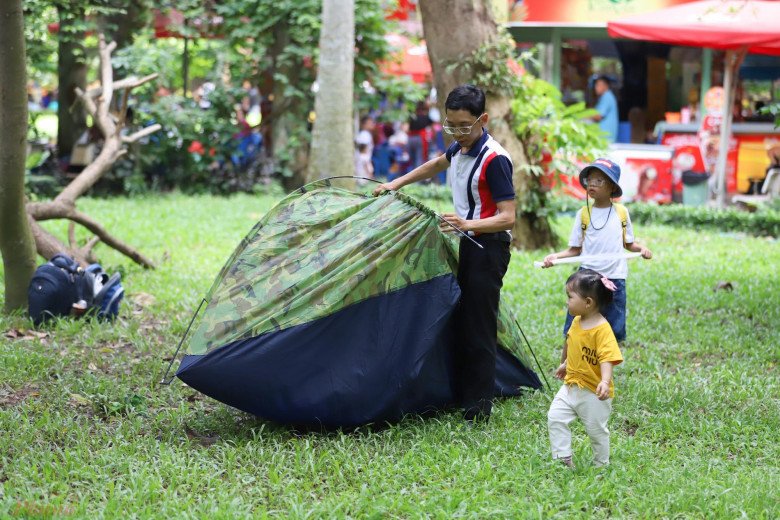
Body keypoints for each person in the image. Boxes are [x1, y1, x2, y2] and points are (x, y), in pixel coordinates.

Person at [373, 84, 516, 424]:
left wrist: (467, 223)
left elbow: (509, 217)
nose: (457, 132)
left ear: (483, 119)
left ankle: (478, 409)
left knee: (479, 327)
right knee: (464, 319)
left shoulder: (495, 160)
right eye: (451, 125)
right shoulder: (460, 147)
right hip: (469, 242)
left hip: (489, 247)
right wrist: (396, 183)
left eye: (464, 125)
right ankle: (462, 392)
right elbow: (437, 163)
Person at [542, 158, 652, 343]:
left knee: (614, 323)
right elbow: (574, 249)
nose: (592, 184)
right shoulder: (583, 214)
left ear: (611, 187)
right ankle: (575, 348)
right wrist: (555, 257)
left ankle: (610, 355)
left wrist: (642, 249)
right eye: (590, 180)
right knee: (578, 317)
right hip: (588, 276)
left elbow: (629, 245)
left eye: (599, 181)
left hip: (615, 275)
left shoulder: (622, 213)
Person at [547, 269, 624, 468]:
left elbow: (607, 357)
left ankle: (601, 463)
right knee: (555, 416)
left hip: (593, 392)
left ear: (588, 302)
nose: (567, 301)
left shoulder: (602, 329)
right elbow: (571, 343)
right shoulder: (576, 322)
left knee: (596, 431)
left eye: (570, 297)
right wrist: (565, 364)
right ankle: (562, 459)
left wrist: (605, 382)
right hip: (571, 385)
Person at [592, 76, 618, 143]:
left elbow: (598, 116)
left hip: (605, 139)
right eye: (596, 85)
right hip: (602, 138)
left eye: (598, 85)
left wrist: (582, 116)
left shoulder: (607, 97)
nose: (596, 88)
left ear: (606, 86)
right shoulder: (604, 97)